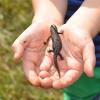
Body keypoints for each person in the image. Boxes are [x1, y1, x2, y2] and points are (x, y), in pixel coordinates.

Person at [12, 0, 100, 99]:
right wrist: (46, 18)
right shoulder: (57, 33)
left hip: (68, 52)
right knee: (81, 94)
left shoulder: (54, 35)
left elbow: (51, 38)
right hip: (75, 61)